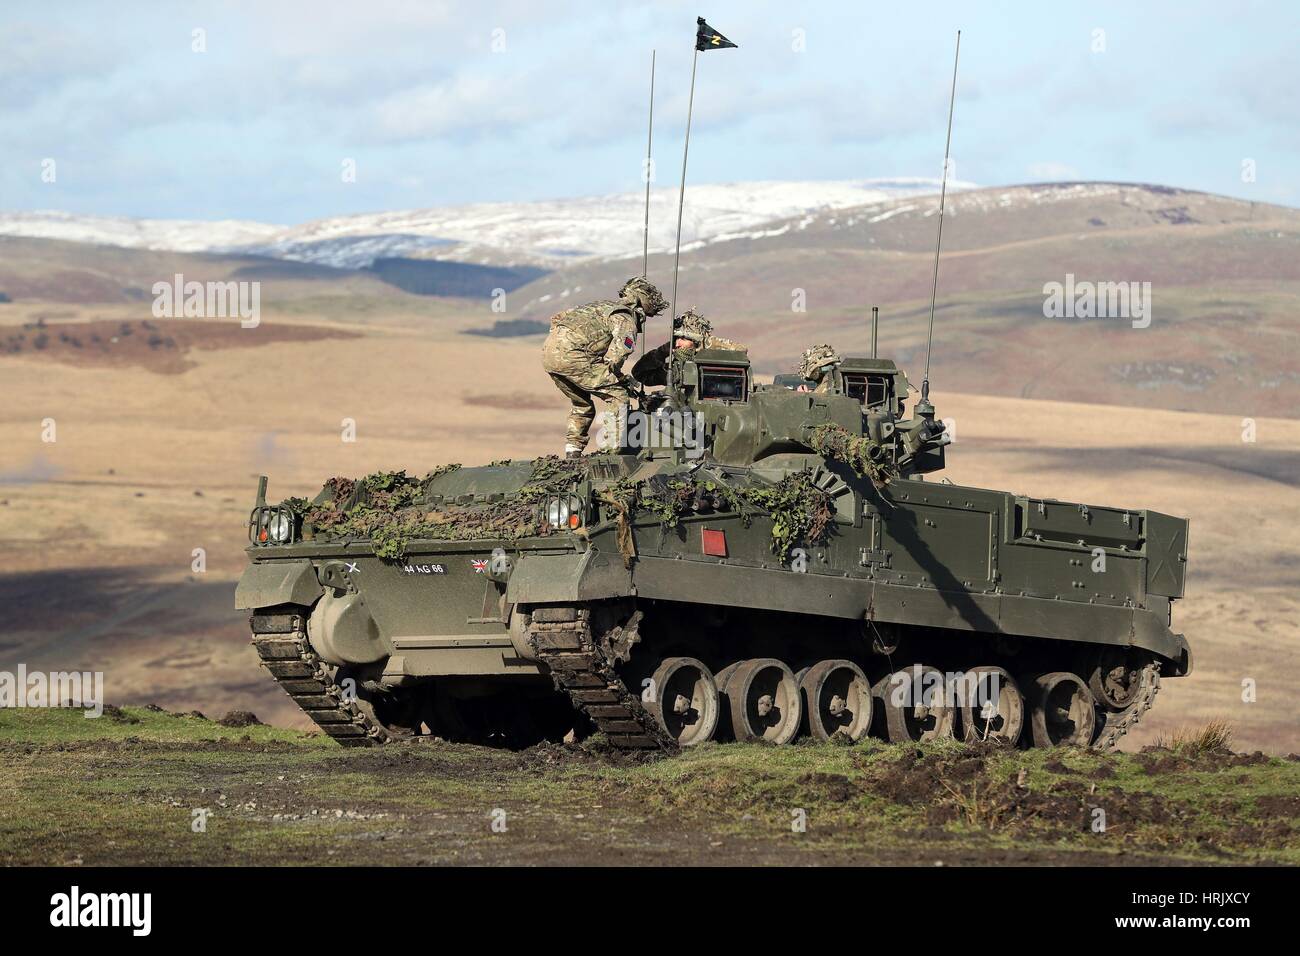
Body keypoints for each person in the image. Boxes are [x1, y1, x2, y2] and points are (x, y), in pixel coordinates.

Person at [541, 277, 666, 456]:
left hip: (549, 355)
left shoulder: (599, 306)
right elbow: (622, 349)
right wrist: (616, 375)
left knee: (581, 403)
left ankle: (573, 450)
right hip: (575, 356)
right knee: (618, 395)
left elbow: (558, 318)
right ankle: (610, 451)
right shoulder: (624, 317)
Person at [631, 308, 745, 388]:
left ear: (696, 342)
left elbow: (741, 350)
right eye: (676, 339)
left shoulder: (712, 367)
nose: (678, 343)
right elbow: (639, 373)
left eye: (684, 339)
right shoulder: (675, 371)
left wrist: (707, 344)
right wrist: (662, 351)